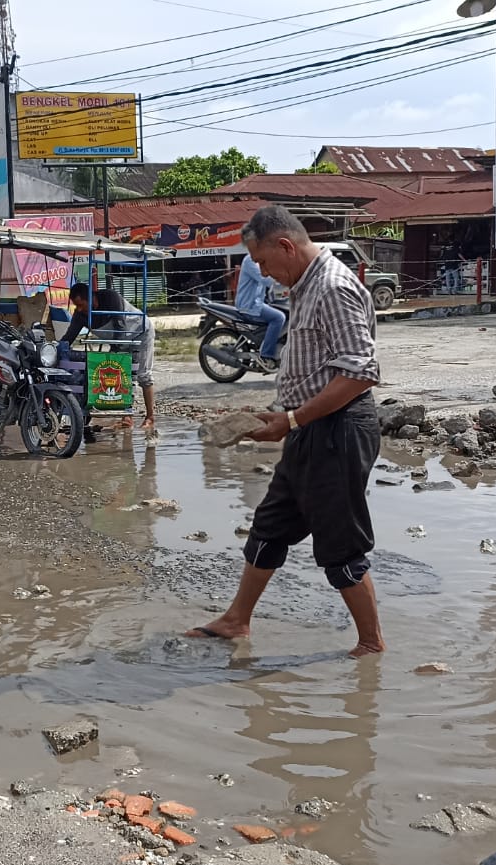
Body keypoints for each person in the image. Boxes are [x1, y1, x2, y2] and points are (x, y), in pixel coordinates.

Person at [185, 205, 385, 657]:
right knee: (270, 526)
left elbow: (360, 372)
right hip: (309, 429)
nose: (267, 276)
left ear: (285, 246)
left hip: (338, 430)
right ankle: (237, 620)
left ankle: (371, 645)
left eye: (265, 264)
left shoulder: (332, 287)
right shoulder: (306, 286)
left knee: (340, 544)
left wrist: (293, 419)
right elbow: (316, 368)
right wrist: (281, 413)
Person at [60, 281, 156, 432]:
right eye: (76, 306)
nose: (79, 309)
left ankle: (150, 417)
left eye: (81, 304)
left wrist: (113, 356)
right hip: (119, 340)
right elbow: (69, 337)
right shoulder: (80, 316)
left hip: (141, 333)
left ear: (91, 298)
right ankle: (126, 417)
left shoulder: (111, 297)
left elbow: (120, 328)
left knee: (143, 376)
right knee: (123, 376)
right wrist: (56, 349)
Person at [234, 253, 284, 371]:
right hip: (249, 305)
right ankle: (265, 356)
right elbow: (265, 279)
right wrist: (287, 281)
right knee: (279, 318)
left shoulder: (259, 259)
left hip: (257, 302)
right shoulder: (250, 261)